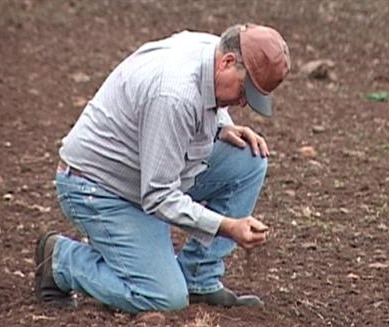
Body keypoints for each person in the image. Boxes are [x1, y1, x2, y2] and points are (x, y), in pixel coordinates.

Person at [34, 23, 291, 313]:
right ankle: (61, 260)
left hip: (144, 170)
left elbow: (201, 102)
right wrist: (227, 226)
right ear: (228, 62)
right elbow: (158, 197)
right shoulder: (173, 95)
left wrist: (220, 126)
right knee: (162, 298)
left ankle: (199, 278)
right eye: (245, 92)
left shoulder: (215, 50)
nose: (243, 104)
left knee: (249, 159)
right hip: (98, 187)